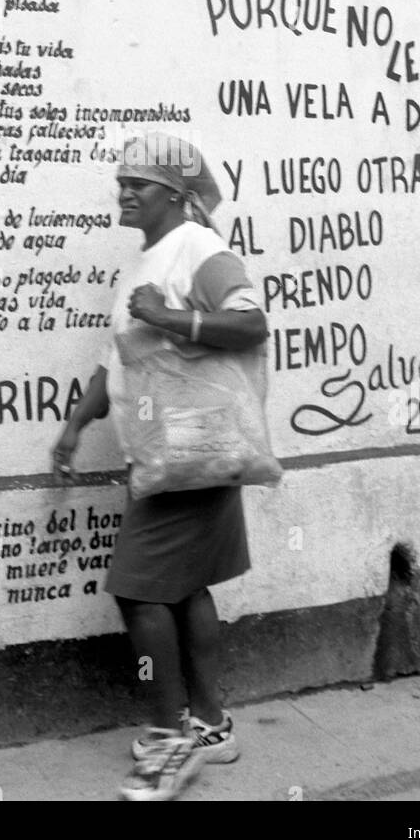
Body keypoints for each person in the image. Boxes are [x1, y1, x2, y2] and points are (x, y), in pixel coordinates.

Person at [51, 135, 269, 802]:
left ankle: (168, 738)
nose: (123, 193)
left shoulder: (200, 249)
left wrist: (170, 316)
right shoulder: (142, 263)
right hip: (183, 450)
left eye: (136, 184)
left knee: (139, 592)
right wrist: (79, 421)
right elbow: (119, 359)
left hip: (189, 450)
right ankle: (210, 725)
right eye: (120, 182)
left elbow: (252, 323)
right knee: (184, 588)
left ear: (174, 195)